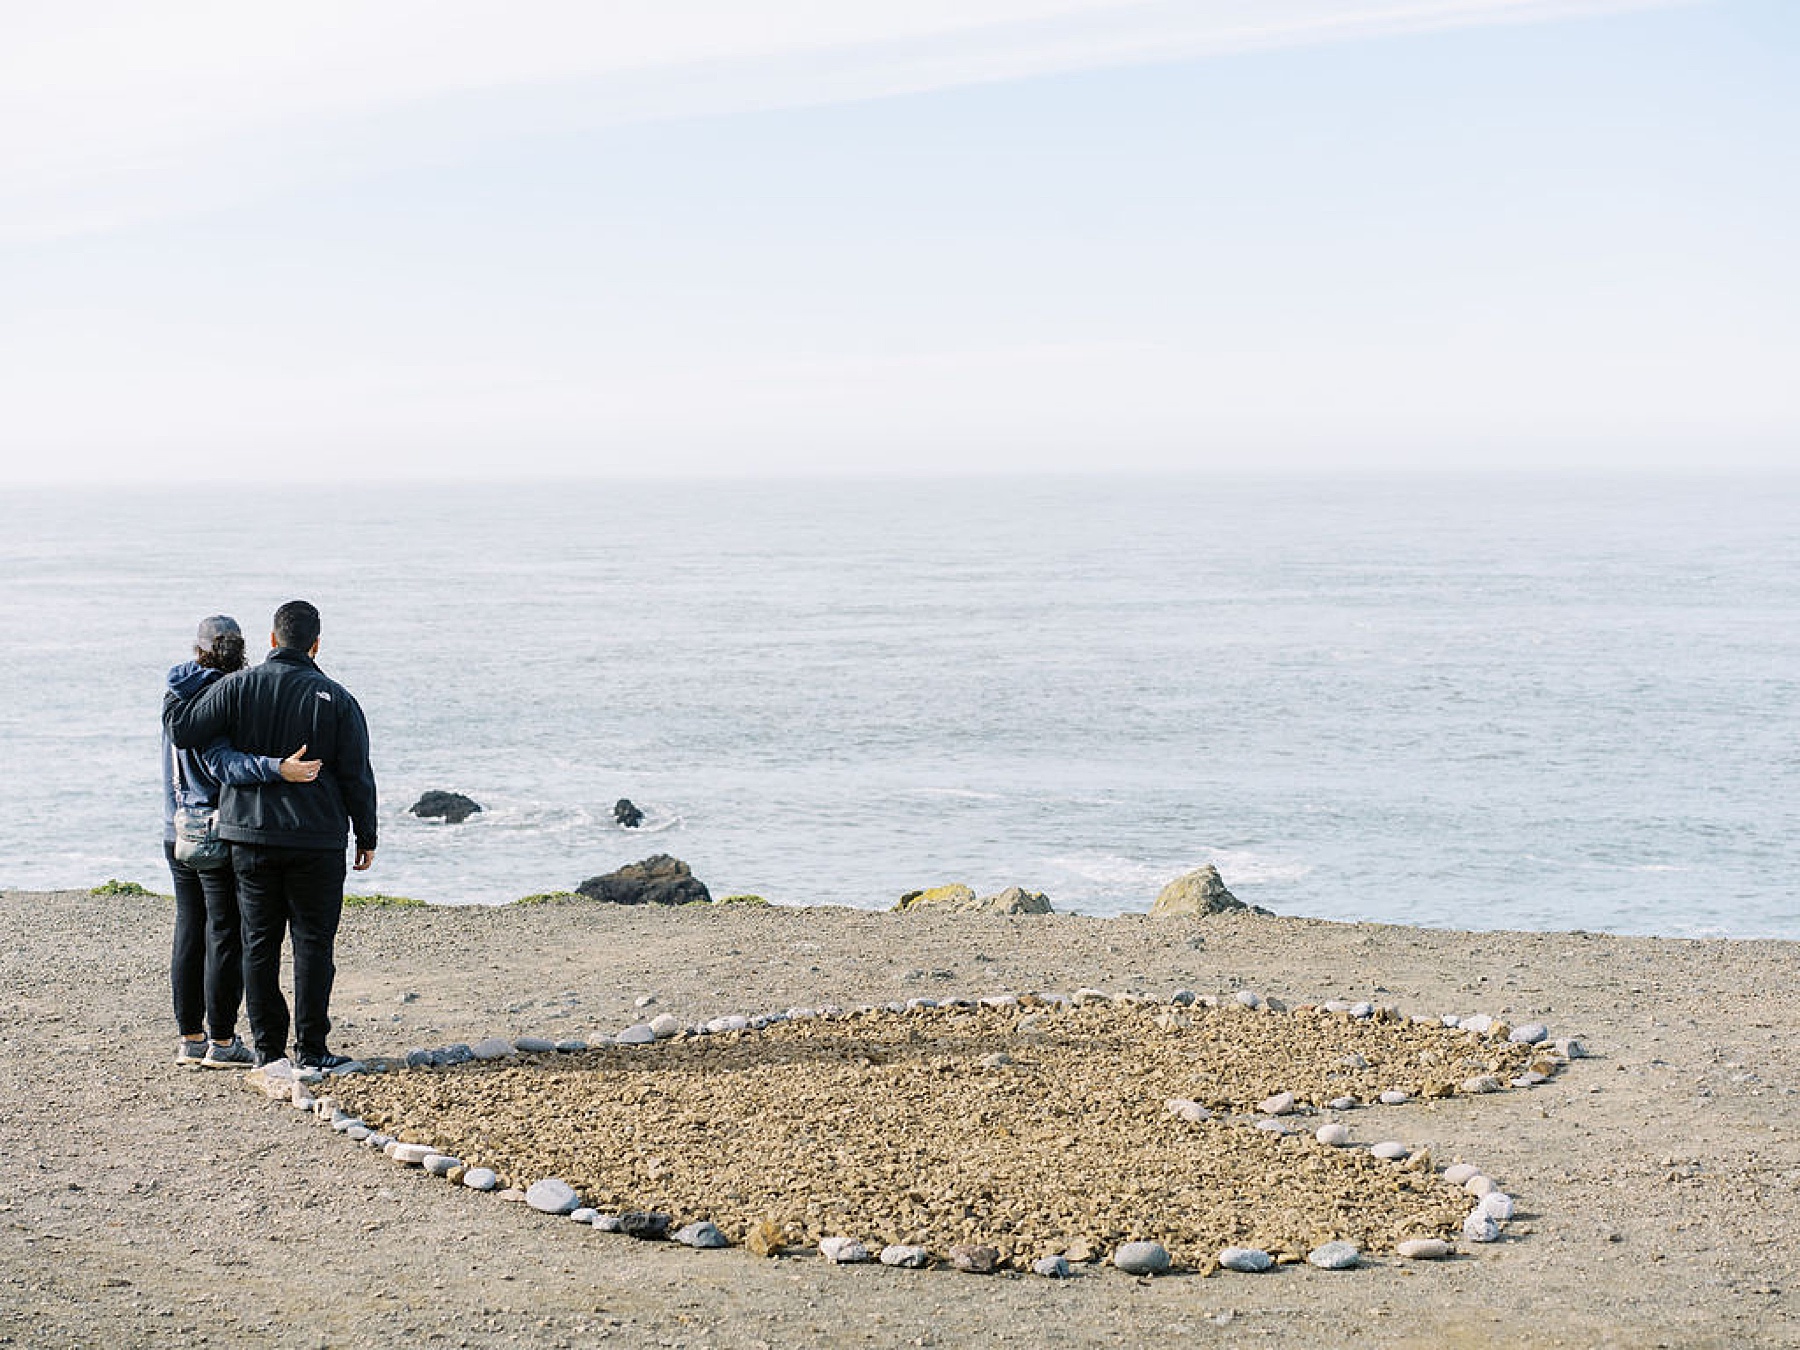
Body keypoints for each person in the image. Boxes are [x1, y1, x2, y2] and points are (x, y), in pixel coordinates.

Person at [165, 600, 378, 1070]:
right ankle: (313, 1050)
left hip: (250, 836)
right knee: (313, 944)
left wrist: (180, 682)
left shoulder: (237, 688)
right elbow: (356, 775)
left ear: (272, 640)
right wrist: (367, 835)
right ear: (316, 644)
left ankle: (268, 1051)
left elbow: (184, 732)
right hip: (317, 840)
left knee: (258, 943)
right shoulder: (337, 699)